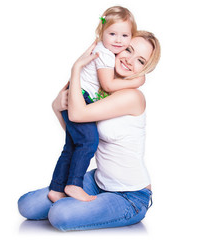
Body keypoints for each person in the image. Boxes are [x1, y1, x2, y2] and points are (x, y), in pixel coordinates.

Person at [18, 31, 161, 231]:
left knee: (60, 214)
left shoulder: (133, 97)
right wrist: (56, 106)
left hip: (130, 195)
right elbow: (77, 134)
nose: (129, 60)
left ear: (144, 70)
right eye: (128, 49)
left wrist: (76, 68)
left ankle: (118, 209)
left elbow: (76, 114)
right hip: (98, 180)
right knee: (27, 205)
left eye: (140, 60)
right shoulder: (98, 88)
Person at [48, 6, 144, 202]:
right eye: (113, 34)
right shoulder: (105, 55)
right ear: (102, 33)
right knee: (88, 142)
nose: (118, 40)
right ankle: (73, 185)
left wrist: (60, 100)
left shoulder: (101, 50)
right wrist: (138, 81)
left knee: (73, 145)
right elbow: (108, 85)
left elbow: (73, 114)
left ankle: (57, 188)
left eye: (124, 36)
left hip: (78, 98)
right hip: (80, 98)